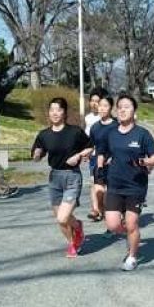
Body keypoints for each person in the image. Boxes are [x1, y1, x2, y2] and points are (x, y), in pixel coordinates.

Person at [96, 93, 154, 271]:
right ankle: (133, 236)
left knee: (132, 224)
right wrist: (100, 172)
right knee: (113, 224)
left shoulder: (142, 134)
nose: (123, 110)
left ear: (134, 111)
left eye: (127, 107)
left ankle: (132, 256)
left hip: (135, 186)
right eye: (120, 107)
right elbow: (102, 153)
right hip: (114, 185)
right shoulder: (110, 133)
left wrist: (147, 162)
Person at [31, 98, 93, 258]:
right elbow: (37, 154)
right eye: (52, 110)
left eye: (58, 109)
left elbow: (90, 147)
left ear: (64, 112)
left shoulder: (75, 132)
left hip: (72, 176)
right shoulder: (44, 134)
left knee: (62, 217)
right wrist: (37, 154)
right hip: (54, 178)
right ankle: (73, 242)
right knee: (61, 219)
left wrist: (78, 155)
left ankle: (77, 227)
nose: (55, 113)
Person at [89, 96, 118, 223]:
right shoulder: (95, 127)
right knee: (99, 192)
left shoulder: (117, 125)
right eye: (100, 105)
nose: (102, 108)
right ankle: (101, 212)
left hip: (114, 163)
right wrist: (85, 154)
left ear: (111, 107)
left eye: (105, 106)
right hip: (99, 163)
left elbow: (120, 144)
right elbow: (91, 145)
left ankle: (110, 222)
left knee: (110, 194)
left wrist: (113, 157)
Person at [84, 87, 109, 221]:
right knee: (93, 183)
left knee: (104, 185)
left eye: (97, 101)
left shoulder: (105, 119)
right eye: (92, 101)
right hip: (93, 156)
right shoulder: (88, 118)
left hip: (105, 156)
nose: (94, 104)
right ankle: (95, 209)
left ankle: (105, 208)